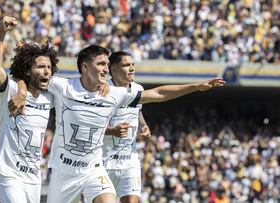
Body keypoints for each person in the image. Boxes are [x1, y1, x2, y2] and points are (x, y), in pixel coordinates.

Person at [14, 45, 225, 203]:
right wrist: (22, 93)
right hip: (63, 172)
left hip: (94, 169)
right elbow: (26, 74)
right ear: (85, 67)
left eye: (107, 64)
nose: (106, 69)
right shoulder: (63, 86)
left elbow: (157, 94)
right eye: (101, 64)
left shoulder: (113, 94)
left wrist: (196, 86)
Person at [0, 16, 59, 203]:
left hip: (33, 177)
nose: (46, 71)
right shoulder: (10, 90)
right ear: (27, 71)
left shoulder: (50, 97)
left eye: (49, 67)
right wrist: (1, 32)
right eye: (41, 66)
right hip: (8, 173)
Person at [102, 51, 150, 203]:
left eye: (133, 65)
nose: (132, 68)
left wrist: (144, 125)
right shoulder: (103, 90)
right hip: (103, 161)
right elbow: (91, 125)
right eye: (127, 65)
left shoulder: (138, 89)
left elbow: (137, 111)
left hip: (130, 160)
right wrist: (112, 131)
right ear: (114, 69)